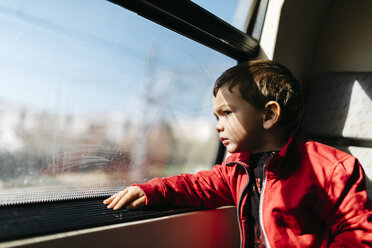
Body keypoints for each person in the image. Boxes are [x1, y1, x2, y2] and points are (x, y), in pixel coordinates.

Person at [104, 60, 372, 247]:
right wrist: (154, 190)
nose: (218, 124)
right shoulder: (238, 167)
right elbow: (198, 186)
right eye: (216, 115)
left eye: (227, 113)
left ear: (269, 115)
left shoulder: (332, 169)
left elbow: (357, 235)